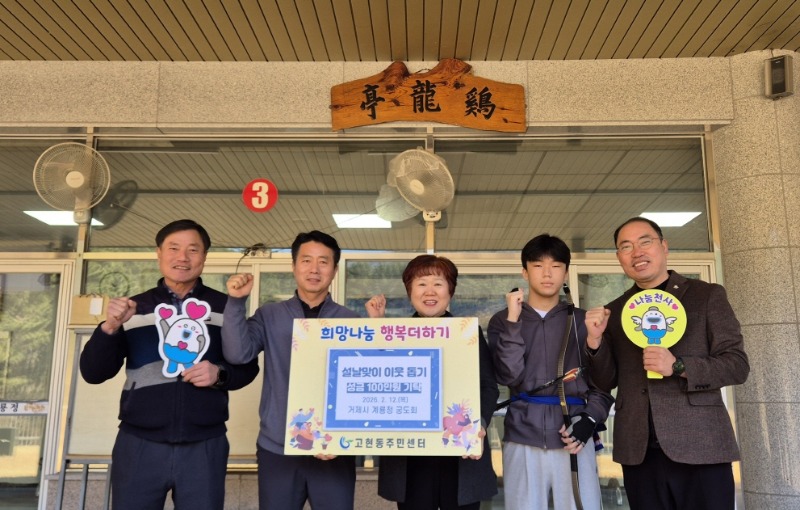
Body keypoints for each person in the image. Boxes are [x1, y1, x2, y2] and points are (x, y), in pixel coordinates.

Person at [79, 219, 260, 510]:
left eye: (193, 250)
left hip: (205, 443)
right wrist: (110, 327)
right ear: (159, 253)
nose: (182, 257)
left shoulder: (225, 307)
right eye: (174, 248)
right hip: (139, 442)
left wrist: (219, 374)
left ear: (204, 256)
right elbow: (93, 373)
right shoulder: (133, 308)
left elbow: (248, 366)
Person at [584, 217, 750, 510]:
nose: (637, 252)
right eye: (626, 247)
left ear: (664, 246)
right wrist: (594, 342)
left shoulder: (706, 295)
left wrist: (679, 366)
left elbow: (736, 364)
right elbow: (605, 381)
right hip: (639, 450)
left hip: (701, 444)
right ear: (619, 257)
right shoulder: (616, 311)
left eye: (645, 242)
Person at [222, 230, 360, 510]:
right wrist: (236, 302)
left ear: (334, 270)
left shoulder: (351, 321)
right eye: (306, 260)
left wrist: (345, 437)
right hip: (278, 447)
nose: (314, 269)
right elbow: (238, 354)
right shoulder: (269, 315)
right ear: (294, 266)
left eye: (323, 262)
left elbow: (359, 388)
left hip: (334, 448)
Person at [487, 234, 613, 510]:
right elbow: (508, 376)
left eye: (556, 266)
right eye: (538, 266)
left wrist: (589, 419)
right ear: (524, 271)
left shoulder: (582, 320)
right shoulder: (503, 320)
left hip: (573, 435)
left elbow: (604, 382)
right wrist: (512, 322)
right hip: (522, 434)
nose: (547, 274)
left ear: (566, 272)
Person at [365, 254, 499, 510]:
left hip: (460, 454)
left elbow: (488, 386)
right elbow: (377, 381)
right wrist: (378, 329)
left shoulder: (468, 334)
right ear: (410, 291)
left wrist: (479, 423)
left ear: (450, 291)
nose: (430, 291)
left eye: (438, 283)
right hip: (411, 456)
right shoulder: (396, 334)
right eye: (421, 283)